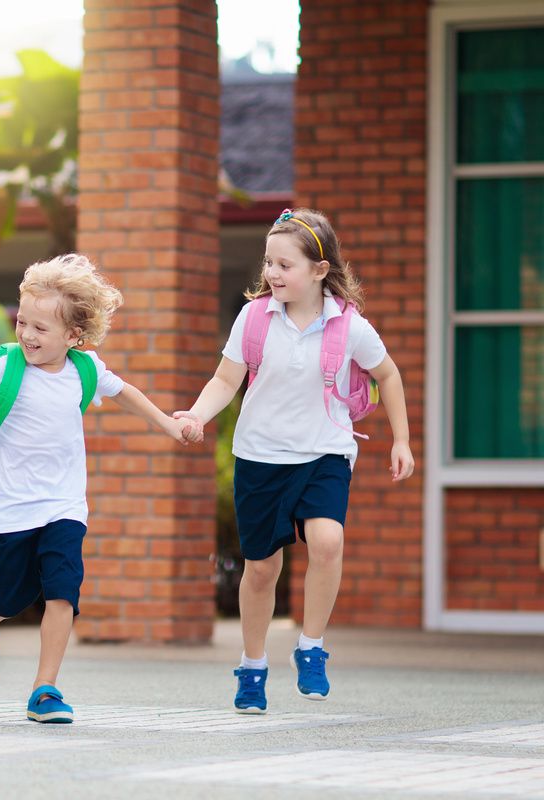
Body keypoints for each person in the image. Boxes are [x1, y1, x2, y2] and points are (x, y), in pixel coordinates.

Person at [0, 254, 193, 723]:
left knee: (63, 592)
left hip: (63, 507)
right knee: (6, 597)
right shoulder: (0, 371)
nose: (26, 334)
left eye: (41, 329)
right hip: (6, 511)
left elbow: (123, 392)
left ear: (73, 337)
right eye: (23, 321)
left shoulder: (83, 370)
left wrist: (168, 424)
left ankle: (45, 689)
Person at [175, 207, 414, 714]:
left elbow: (388, 375)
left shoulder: (349, 327)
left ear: (320, 270)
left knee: (328, 540)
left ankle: (311, 647)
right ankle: (253, 664)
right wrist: (196, 415)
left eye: (285, 265)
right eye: (269, 263)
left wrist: (402, 441)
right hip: (260, 456)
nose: (272, 274)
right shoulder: (254, 319)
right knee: (262, 568)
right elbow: (225, 380)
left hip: (325, 451)